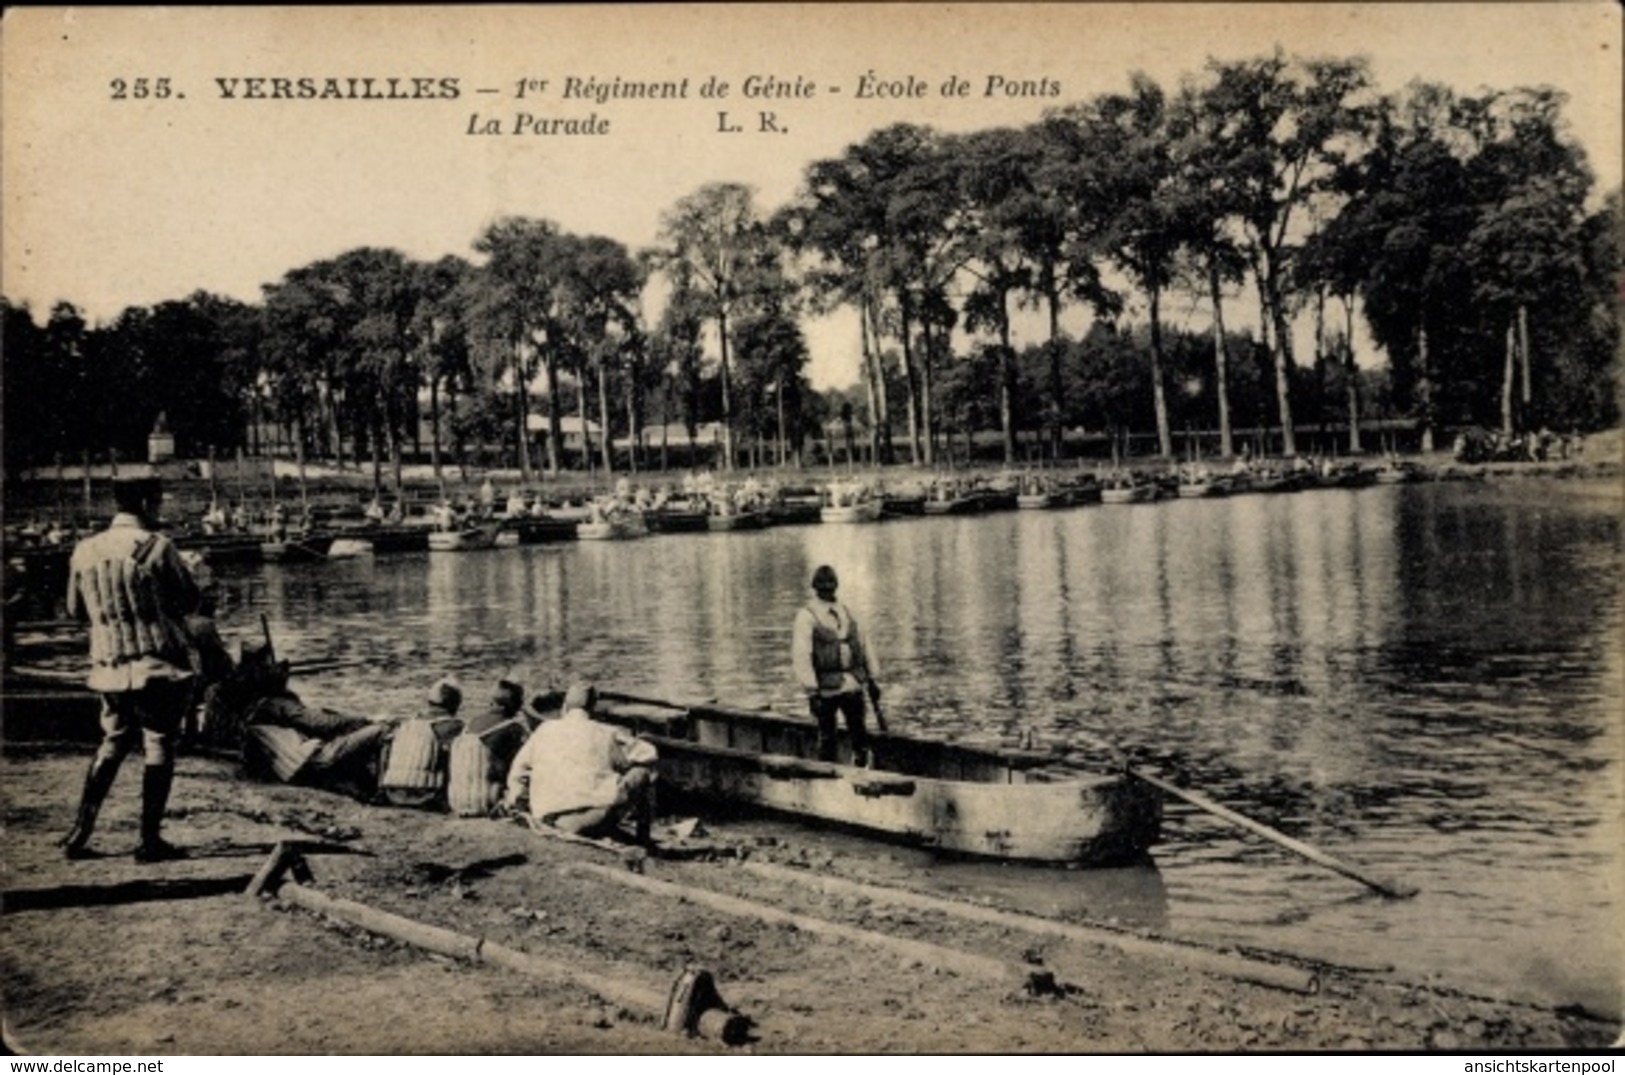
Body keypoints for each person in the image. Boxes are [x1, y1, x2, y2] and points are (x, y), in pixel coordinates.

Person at [61, 475, 202, 863]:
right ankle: (149, 841)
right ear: (144, 503)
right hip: (156, 664)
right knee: (158, 743)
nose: (160, 509)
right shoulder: (158, 547)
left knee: (113, 741)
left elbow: (75, 611)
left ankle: (79, 832)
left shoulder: (84, 550)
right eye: (157, 501)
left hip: (108, 665)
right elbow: (189, 602)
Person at [503, 683, 657, 843]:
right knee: (643, 772)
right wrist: (619, 762)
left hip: (547, 817)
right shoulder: (606, 732)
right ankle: (643, 839)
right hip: (593, 820)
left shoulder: (544, 729)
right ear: (593, 707)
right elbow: (649, 752)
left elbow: (518, 772)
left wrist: (518, 801)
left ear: (565, 706)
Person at [791, 564, 880, 767]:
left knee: (859, 734)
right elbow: (801, 656)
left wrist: (872, 679)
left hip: (853, 684)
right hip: (825, 689)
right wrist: (812, 692)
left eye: (831, 584)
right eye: (822, 585)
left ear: (836, 586)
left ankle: (861, 769)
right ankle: (827, 776)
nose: (827, 589)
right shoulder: (807, 616)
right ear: (815, 587)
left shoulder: (847, 612)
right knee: (827, 737)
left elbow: (865, 644)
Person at [447, 679, 537, 817]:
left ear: (492, 703)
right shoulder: (512, 728)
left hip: (456, 801)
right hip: (489, 803)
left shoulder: (470, 724)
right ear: (512, 706)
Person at [377, 677, 465, 808]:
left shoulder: (406, 724)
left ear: (429, 702)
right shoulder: (454, 726)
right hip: (426, 797)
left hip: (392, 794)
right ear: (456, 705)